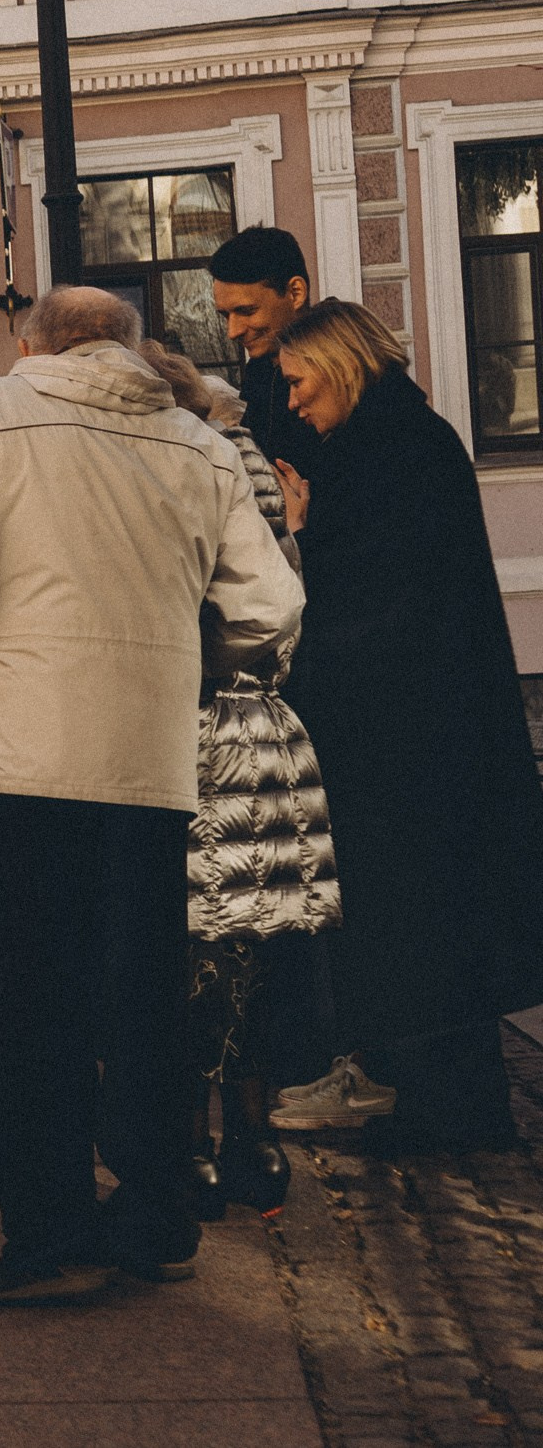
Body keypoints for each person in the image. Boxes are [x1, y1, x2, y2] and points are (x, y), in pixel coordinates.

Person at [0, 286, 303, 1306]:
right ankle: (157, 1222)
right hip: (149, 759)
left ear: (30, 343)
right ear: (127, 347)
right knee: (145, 997)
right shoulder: (199, 443)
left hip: (19, 755)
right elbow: (269, 601)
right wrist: (198, 676)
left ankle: (46, 1239)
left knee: (35, 1007)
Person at [270, 300, 543, 1151]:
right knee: (440, 924)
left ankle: (445, 1118)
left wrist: (309, 533)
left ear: (337, 363)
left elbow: (373, 599)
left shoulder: (377, 452)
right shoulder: (412, 437)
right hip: (435, 726)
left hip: (401, 736)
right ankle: (453, 1107)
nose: (292, 400)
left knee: (414, 925)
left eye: (297, 377)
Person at [138, 343, 339, 1217]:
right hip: (260, 731)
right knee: (254, 947)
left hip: (180, 731)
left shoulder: (158, 455)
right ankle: (249, 1139)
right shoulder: (239, 450)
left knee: (186, 950)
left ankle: (190, 1149)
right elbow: (279, 593)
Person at [208, 226, 321, 473]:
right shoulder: (260, 371)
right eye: (225, 315)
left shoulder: (345, 369)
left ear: (295, 293)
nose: (232, 331)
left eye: (247, 311)